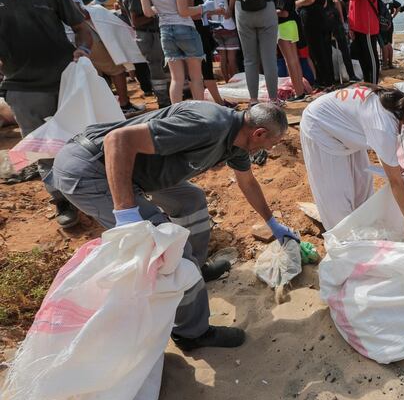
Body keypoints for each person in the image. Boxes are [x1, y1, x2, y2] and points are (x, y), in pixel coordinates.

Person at [48, 101, 297, 350]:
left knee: (191, 200)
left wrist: (271, 222)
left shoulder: (239, 142)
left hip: (134, 168)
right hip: (92, 168)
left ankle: (194, 272)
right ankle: (192, 334)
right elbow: (117, 141)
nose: (270, 148)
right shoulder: (208, 125)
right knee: (170, 250)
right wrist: (126, 212)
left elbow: (248, 182)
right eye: (271, 143)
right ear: (259, 133)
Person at [0, 0, 92, 228]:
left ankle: (93, 191)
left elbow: (82, 28)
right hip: (23, 89)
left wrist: (83, 50)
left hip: (66, 83)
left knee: (81, 139)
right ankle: (62, 200)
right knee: (43, 148)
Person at [299, 85, 404, 230]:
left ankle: (359, 230)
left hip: (345, 128)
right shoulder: (382, 125)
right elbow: (395, 181)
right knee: (336, 201)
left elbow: (386, 141)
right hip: (320, 127)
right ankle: (342, 240)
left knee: (362, 188)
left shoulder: (397, 103)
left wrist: (392, 162)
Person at [138, 0, 220, 105]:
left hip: (165, 31)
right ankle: (201, 114)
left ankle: (176, 115)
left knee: (176, 79)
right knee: (196, 78)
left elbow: (147, 12)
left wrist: (163, 9)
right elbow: (183, 12)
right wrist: (203, 8)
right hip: (185, 29)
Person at [121, 0, 170, 108]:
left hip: (152, 33)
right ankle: (163, 101)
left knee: (162, 67)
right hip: (147, 34)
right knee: (156, 68)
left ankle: (166, 98)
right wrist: (154, 13)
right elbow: (136, 22)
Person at [292, 0, 334, 90]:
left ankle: (323, 81)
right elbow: (323, 1)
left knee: (316, 51)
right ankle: (327, 80)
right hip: (319, 15)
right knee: (322, 49)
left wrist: (296, 3)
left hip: (312, 17)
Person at [346, 0, 382, 85]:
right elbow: (352, 5)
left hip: (367, 26)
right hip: (358, 27)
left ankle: (373, 86)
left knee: (370, 58)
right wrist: (351, 27)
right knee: (362, 58)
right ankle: (368, 85)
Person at [274, 0, 307, 101]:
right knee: (295, 60)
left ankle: (298, 93)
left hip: (283, 26)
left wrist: (270, 12)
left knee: (290, 61)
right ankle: (300, 90)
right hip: (293, 25)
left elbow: (284, 12)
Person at [201, 0, 239, 83]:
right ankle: (236, 81)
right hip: (229, 25)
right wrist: (230, 10)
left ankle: (227, 81)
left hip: (215, 27)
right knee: (231, 58)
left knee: (222, 58)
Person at [325, 0, 358, 83]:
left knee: (327, 49)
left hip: (323, 17)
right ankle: (351, 75)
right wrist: (342, 18)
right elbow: (336, 1)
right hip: (333, 17)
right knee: (344, 47)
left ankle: (330, 77)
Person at [377, 0, 401, 69]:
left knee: (384, 45)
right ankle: (390, 63)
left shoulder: (378, 0)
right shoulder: (390, 0)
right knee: (389, 44)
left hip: (382, 25)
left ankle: (384, 64)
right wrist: (393, 16)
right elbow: (399, 6)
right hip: (390, 24)